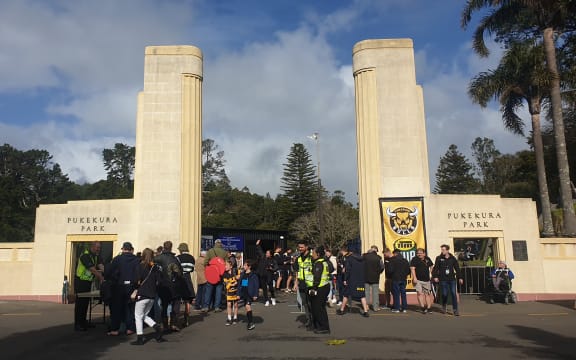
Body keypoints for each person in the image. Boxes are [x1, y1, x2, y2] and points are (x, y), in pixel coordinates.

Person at [105, 241, 140, 336]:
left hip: (118, 286)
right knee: (129, 308)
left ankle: (115, 329)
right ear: (131, 250)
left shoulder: (117, 259)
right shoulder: (136, 259)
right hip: (131, 286)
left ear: (123, 249)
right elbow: (138, 274)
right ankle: (130, 328)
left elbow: (108, 272)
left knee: (117, 308)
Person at [131, 248, 165, 345]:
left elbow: (136, 280)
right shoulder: (155, 267)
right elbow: (160, 281)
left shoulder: (140, 266)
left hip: (142, 294)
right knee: (144, 315)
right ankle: (157, 327)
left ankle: (140, 338)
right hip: (152, 295)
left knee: (138, 316)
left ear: (143, 255)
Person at [74, 241, 104, 331]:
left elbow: (101, 266)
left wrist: (106, 272)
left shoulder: (95, 256)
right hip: (80, 281)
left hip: (87, 282)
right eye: (97, 247)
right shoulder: (85, 256)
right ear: (92, 247)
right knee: (80, 304)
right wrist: (102, 278)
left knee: (86, 303)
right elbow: (93, 270)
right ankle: (78, 324)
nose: (99, 249)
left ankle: (83, 322)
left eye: (99, 247)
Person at [154, 241, 184, 331]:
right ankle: (173, 324)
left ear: (164, 247)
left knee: (164, 305)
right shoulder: (175, 259)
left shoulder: (158, 258)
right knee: (176, 304)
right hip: (175, 285)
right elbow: (180, 273)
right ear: (171, 247)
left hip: (163, 285)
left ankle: (164, 324)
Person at [336, 245, 370, 317]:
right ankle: (365, 311)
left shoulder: (349, 259)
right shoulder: (362, 259)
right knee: (362, 295)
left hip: (351, 280)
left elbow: (347, 270)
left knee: (346, 294)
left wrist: (345, 279)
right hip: (360, 280)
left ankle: (342, 309)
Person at [432, 244, 463, 316]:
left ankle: (455, 310)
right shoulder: (439, 258)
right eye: (441, 250)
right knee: (444, 294)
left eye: (443, 250)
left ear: (447, 250)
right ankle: (444, 305)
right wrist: (435, 276)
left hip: (452, 279)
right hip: (443, 279)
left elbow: (457, 268)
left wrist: (460, 278)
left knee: (453, 293)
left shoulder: (452, 258)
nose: (442, 251)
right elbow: (436, 268)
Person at [307, 246, 331, 334]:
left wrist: (313, 288)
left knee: (317, 308)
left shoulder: (318, 263)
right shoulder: (324, 262)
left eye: (313, 253)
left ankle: (324, 327)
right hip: (325, 286)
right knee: (321, 308)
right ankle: (322, 326)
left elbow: (317, 277)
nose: (312, 254)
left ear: (318, 254)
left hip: (320, 288)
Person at [202, 239, 228, 312]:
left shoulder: (210, 251)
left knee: (208, 290)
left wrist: (209, 269)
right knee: (219, 290)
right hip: (220, 274)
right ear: (221, 244)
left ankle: (206, 306)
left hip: (211, 274)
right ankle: (217, 307)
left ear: (215, 243)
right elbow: (226, 264)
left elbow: (205, 262)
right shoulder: (224, 252)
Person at [294, 240, 313, 328]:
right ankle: (309, 320)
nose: (300, 249)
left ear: (306, 247)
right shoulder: (298, 258)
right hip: (302, 284)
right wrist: (295, 283)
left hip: (311, 284)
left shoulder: (312, 257)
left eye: (301, 247)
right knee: (305, 303)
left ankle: (314, 320)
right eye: (299, 247)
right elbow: (296, 271)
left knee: (311, 303)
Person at [410, 248, 434, 314]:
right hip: (418, 280)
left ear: (424, 253)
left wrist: (431, 273)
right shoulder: (414, 259)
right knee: (419, 293)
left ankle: (429, 308)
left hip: (426, 280)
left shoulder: (427, 259)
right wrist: (414, 278)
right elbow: (412, 269)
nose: (419, 254)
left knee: (427, 294)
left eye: (421, 253)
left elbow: (432, 266)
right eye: (418, 253)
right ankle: (422, 308)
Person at [176, 243, 196, 325]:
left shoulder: (178, 258)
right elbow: (191, 269)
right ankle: (186, 320)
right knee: (187, 300)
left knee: (177, 300)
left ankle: (175, 320)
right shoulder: (192, 258)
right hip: (188, 278)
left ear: (180, 250)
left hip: (180, 278)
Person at [239, 259, 259, 330]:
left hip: (250, 294)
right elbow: (240, 284)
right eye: (244, 265)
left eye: (245, 265)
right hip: (244, 293)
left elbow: (256, 286)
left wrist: (255, 294)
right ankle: (249, 320)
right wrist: (239, 293)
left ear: (249, 266)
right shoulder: (243, 274)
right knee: (247, 308)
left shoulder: (253, 275)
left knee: (247, 306)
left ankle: (251, 323)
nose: (244, 266)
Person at [388, 249, 410, 313]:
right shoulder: (405, 260)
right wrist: (404, 275)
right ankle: (404, 308)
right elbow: (408, 271)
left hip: (395, 279)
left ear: (395, 254)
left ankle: (397, 308)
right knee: (403, 293)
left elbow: (390, 270)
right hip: (403, 279)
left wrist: (391, 275)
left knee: (396, 294)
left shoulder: (392, 260)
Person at [256, 240, 278, 306]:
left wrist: (272, 269)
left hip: (269, 275)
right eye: (266, 253)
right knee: (264, 288)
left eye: (268, 253)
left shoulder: (273, 260)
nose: (266, 254)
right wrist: (257, 245)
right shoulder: (263, 257)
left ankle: (273, 298)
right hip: (262, 274)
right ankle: (266, 300)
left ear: (271, 254)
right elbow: (260, 251)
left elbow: (276, 267)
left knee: (271, 288)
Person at [363, 245, 384, 312]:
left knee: (366, 292)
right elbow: (382, 267)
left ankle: (366, 305)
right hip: (375, 277)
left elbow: (361, 266)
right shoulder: (379, 258)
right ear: (376, 251)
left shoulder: (365, 257)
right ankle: (375, 307)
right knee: (375, 292)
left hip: (366, 276)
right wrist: (379, 272)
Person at [222, 260, 240, 325]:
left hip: (236, 291)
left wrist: (238, 279)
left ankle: (235, 317)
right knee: (229, 304)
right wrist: (232, 283)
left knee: (235, 304)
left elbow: (241, 277)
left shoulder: (236, 271)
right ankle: (229, 318)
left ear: (231, 266)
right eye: (225, 265)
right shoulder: (224, 274)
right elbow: (226, 285)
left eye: (226, 265)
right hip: (229, 291)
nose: (225, 267)